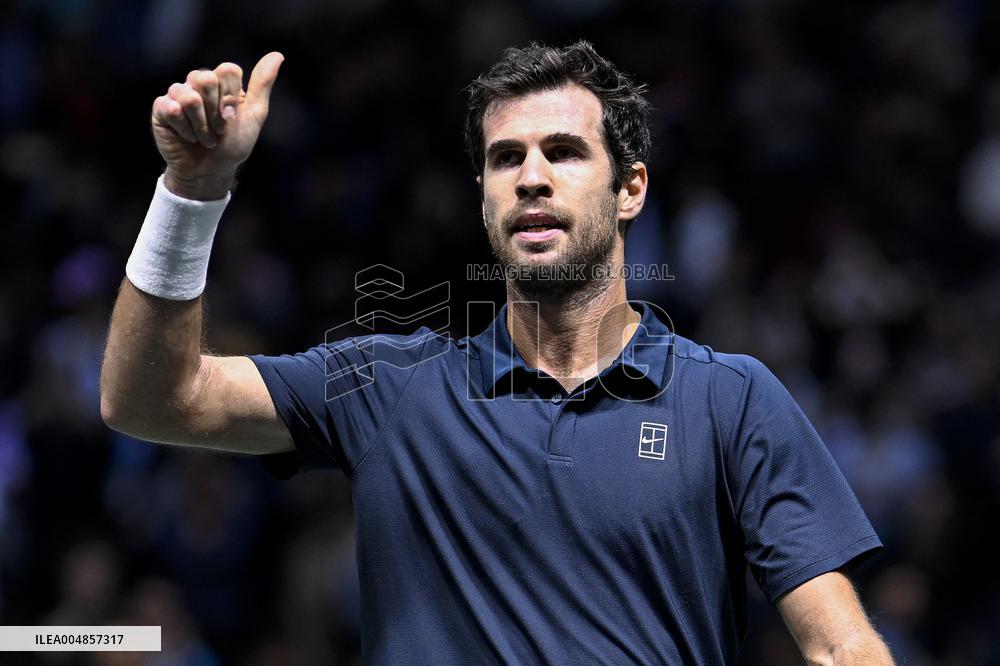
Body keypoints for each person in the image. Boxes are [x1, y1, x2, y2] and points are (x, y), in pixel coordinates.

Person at [100, 41, 895, 664]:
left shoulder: (731, 400)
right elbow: (151, 400)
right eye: (505, 158)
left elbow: (841, 646)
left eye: (565, 152)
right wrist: (192, 192)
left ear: (631, 189)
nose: (531, 178)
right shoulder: (384, 385)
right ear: (483, 197)